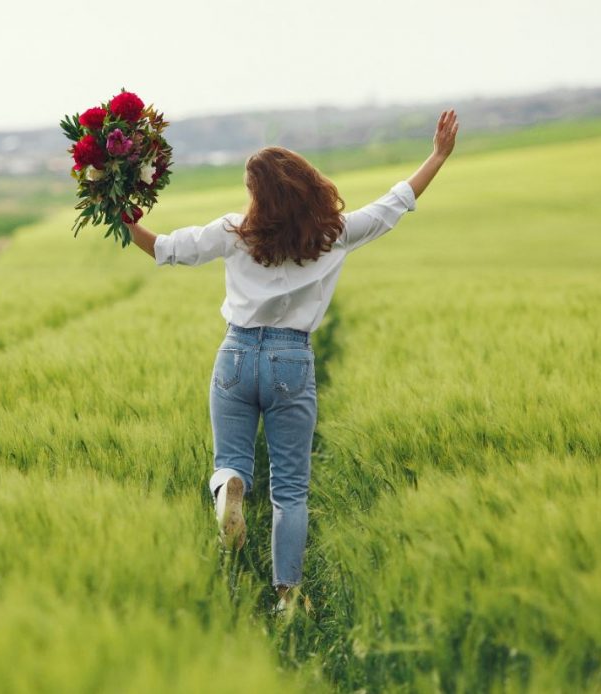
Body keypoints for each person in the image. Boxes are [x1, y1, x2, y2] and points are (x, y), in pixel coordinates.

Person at [123, 110, 459, 615]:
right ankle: (286, 596)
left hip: (235, 354)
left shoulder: (235, 231)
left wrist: (124, 215)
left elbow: (165, 249)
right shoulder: (334, 232)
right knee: (290, 489)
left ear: (258, 195)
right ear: (303, 185)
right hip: (290, 361)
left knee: (230, 460)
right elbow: (395, 204)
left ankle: (228, 487)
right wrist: (436, 156)